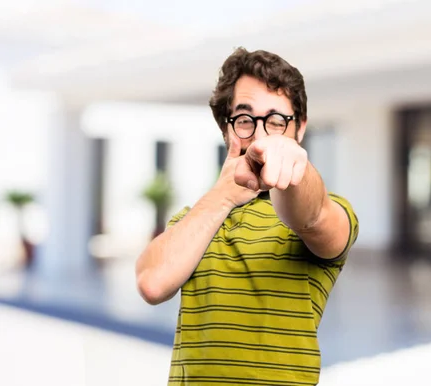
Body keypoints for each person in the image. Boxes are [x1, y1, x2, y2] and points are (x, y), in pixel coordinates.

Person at [136, 47, 359, 385]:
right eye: (245, 120)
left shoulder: (329, 206)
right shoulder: (196, 216)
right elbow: (152, 283)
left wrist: (288, 160)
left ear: (299, 129)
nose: (260, 135)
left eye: (276, 121)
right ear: (227, 130)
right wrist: (224, 195)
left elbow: (311, 215)